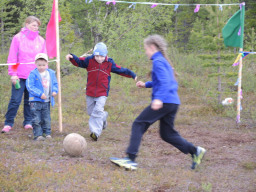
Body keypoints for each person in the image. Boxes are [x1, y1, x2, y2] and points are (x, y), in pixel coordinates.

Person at [110, 35, 206, 170]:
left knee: (138, 124)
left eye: (146, 49)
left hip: (165, 101)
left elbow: (165, 82)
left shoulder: (158, 61)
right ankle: (195, 151)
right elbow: (161, 80)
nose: (145, 52)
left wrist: (158, 98)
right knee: (167, 134)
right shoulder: (163, 60)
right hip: (173, 102)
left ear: (152, 47)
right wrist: (146, 85)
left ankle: (130, 159)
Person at [65, 42, 137, 141]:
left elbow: (121, 70)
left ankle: (95, 132)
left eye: (101, 56)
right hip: (90, 91)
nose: (99, 58)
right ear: (94, 55)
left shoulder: (109, 63)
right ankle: (103, 116)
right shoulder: (89, 60)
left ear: (106, 55)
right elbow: (79, 62)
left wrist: (132, 74)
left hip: (102, 92)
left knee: (97, 111)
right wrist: (72, 57)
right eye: (97, 56)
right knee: (91, 112)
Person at [2, 16, 47, 133]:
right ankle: (8, 123)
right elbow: (12, 57)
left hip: (34, 76)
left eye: (37, 25)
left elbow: (43, 60)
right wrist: (13, 74)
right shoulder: (17, 38)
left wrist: (43, 75)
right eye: (33, 25)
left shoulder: (41, 41)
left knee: (30, 101)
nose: (35, 27)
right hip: (19, 76)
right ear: (26, 24)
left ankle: (28, 121)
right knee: (15, 100)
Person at [26, 53, 58, 141]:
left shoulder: (51, 73)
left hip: (46, 101)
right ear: (35, 63)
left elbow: (55, 83)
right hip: (35, 101)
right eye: (39, 65)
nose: (41, 67)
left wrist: (55, 91)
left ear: (47, 63)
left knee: (46, 118)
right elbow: (29, 86)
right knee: (36, 119)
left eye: (43, 65)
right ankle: (38, 135)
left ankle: (47, 133)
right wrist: (40, 94)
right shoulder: (33, 74)